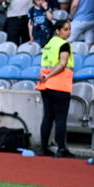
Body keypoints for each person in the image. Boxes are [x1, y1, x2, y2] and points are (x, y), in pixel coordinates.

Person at [37, 17, 76, 158]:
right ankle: (61, 149)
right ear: (57, 31)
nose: (68, 32)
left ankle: (43, 148)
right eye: (66, 29)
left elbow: (43, 64)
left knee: (47, 117)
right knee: (60, 118)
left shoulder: (48, 44)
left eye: (69, 29)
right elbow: (62, 64)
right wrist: (50, 75)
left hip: (45, 86)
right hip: (59, 85)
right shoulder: (64, 45)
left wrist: (44, 76)